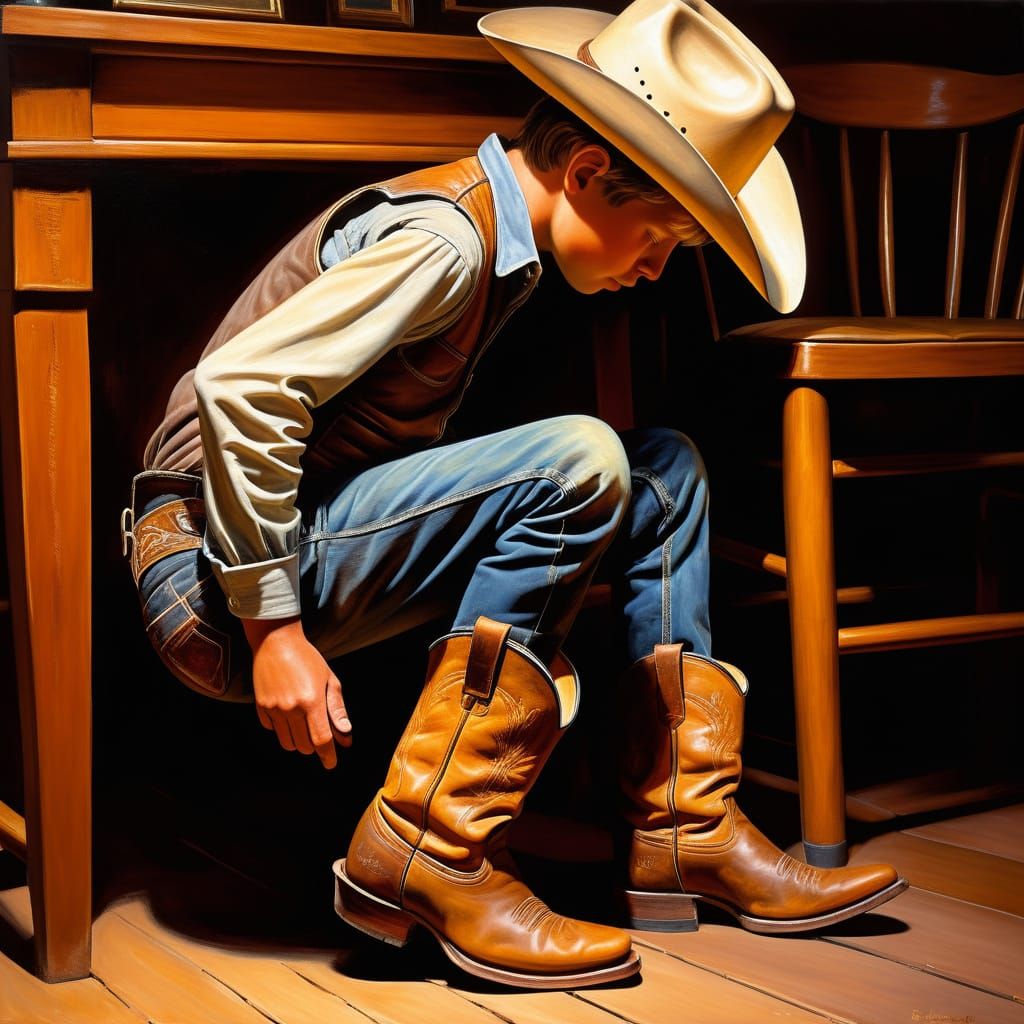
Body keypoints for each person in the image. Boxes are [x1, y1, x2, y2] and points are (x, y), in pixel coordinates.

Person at [124, 0, 906, 991]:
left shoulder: (504, 236)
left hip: (294, 536)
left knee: (664, 474)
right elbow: (244, 388)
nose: (656, 268)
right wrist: (271, 627)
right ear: (583, 172)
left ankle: (686, 826)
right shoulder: (448, 239)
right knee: (578, 457)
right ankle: (430, 847)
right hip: (206, 576)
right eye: (658, 236)